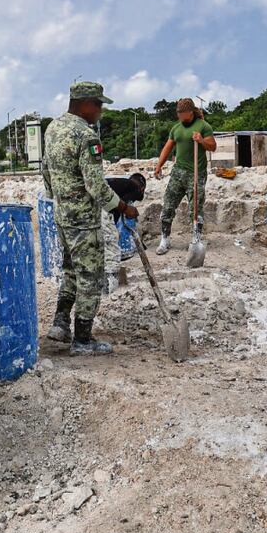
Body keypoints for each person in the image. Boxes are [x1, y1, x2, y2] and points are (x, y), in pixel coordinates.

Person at [42, 81, 138, 355]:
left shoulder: (53, 128)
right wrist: (123, 207)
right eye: (98, 105)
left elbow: (46, 171)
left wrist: (57, 196)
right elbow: (96, 186)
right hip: (84, 221)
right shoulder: (86, 136)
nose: (100, 111)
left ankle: (60, 324)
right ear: (84, 103)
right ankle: (83, 339)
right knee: (91, 278)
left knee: (71, 270)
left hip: (62, 215)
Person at [153, 98, 216, 254]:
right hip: (178, 173)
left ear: (190, 112)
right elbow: (167, 148)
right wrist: (159, 165)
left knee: (195, 209)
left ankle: (196, 239)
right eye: (178, 113)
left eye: (181, 113)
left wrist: (201, 140)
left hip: (196, 173)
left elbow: (213, 146)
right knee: (168, 205)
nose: (179, 116)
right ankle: (165, 239)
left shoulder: (203, 126)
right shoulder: (176, 129)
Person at [103, 174, 147, 291]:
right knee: (111, 246)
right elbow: (120, 208)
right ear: (142, 187)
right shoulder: (135, 188)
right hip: (100, 203)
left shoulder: (122, 184)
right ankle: (109, 285)